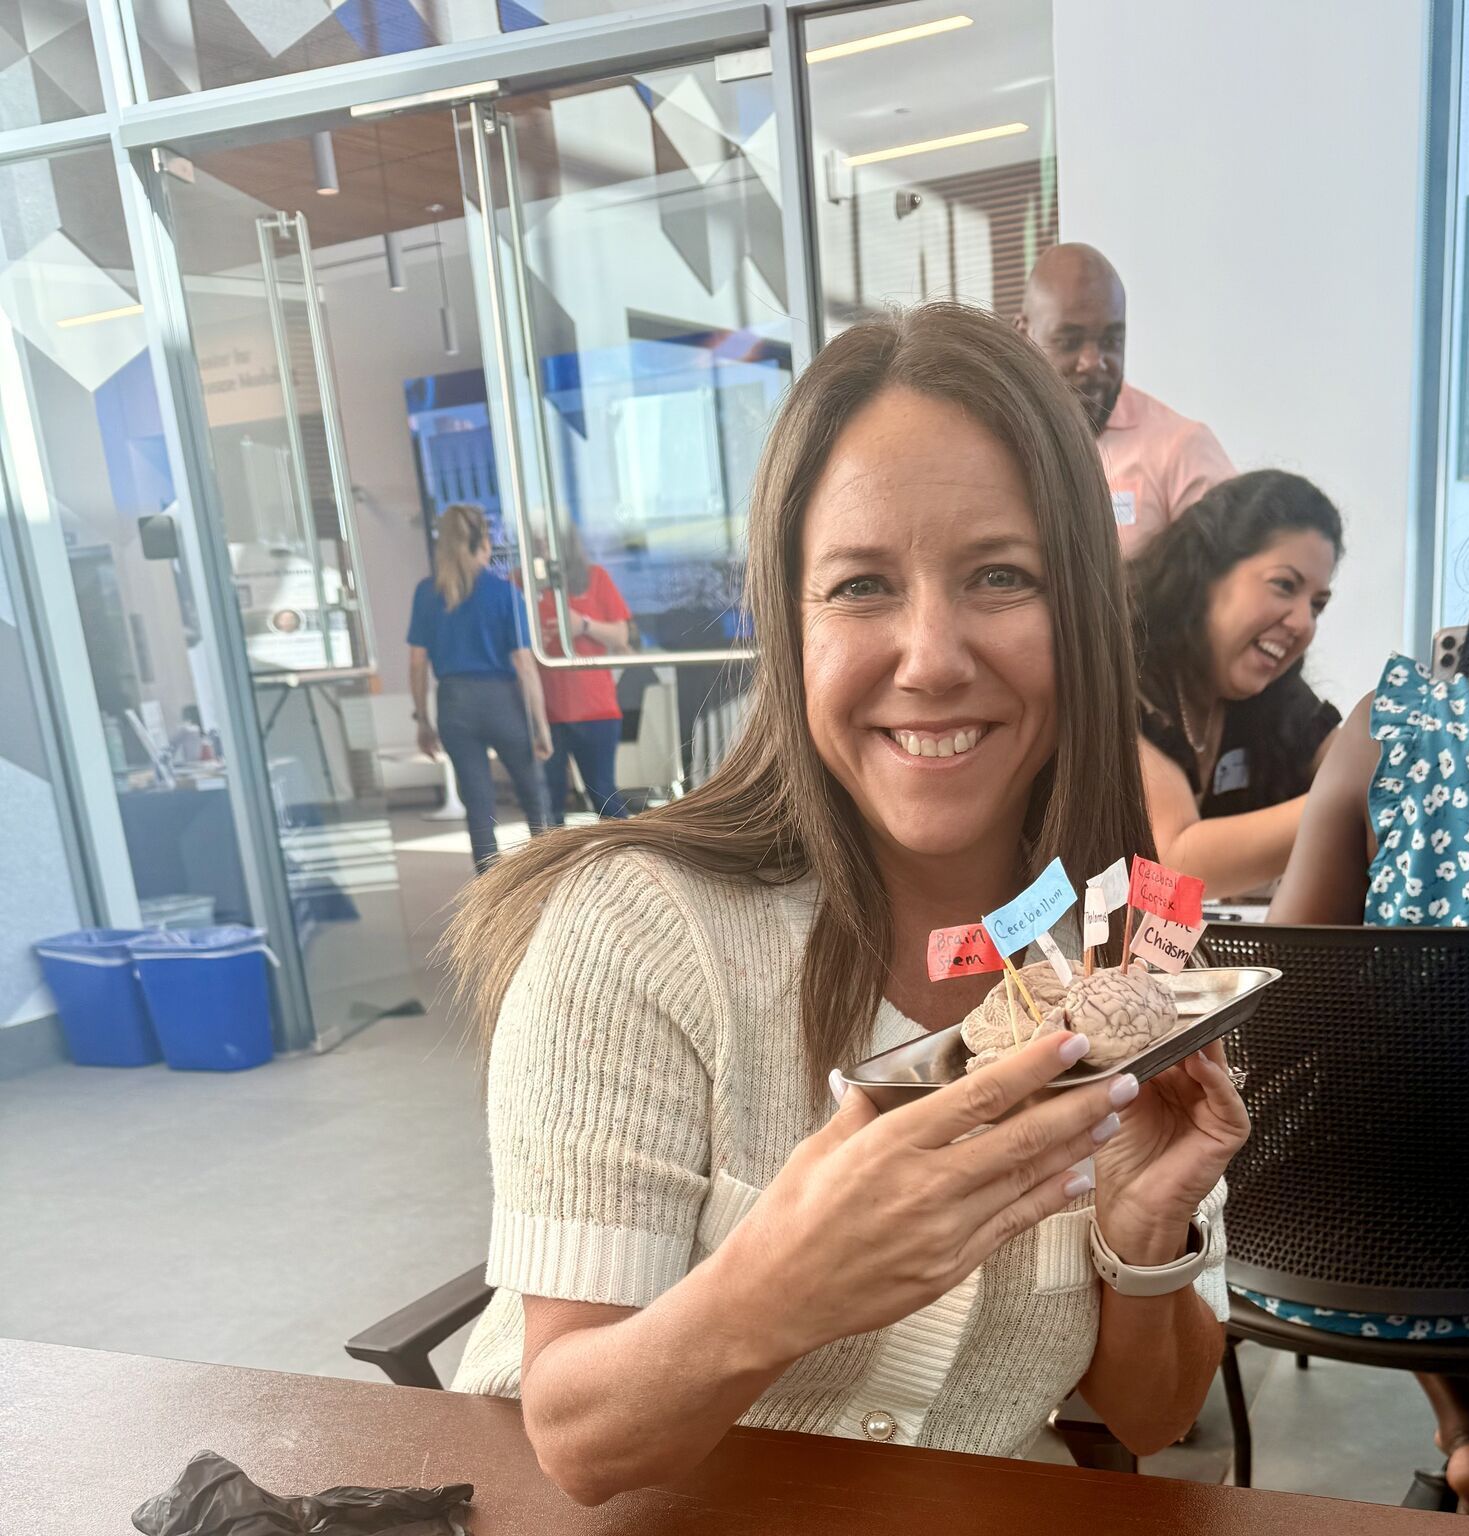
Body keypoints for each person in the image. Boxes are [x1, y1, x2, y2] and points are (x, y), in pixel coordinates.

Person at [445, 303, 1250, 1505]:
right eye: (862, 584)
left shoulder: (1121, 954)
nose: (929, 656)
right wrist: (777, 1285)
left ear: (1080, 612)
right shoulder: (639, 931)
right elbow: (578, 1443)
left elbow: (1152, 1411)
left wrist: (1142, 1239)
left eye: (999, 576)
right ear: (789, 624)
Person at [1266, 369, 1469, 1524]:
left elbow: (1277, 1005)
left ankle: (1467, 1427)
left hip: (1364, 1247)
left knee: (1411, 1094)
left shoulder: (1390, 729)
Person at [1133, 471, 1342, 899]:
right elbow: (1171, 869)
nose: (1303, 623)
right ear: (1207, 573)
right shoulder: (1123, 674)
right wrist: (1346, 802)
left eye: (1317, 606)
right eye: (1285, 586)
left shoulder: (1273, 695)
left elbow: (1356, 766)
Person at [1016, 243, 1236, 555]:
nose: (1093, 361)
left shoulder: (1181, 448)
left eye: (1110, 341)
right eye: (1070, 341)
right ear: (1024, 336)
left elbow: (1238, 584)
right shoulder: (997, 448)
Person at [407, 503, 553, 875]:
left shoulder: (427, 592)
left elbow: (417, 663)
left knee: (479, 806)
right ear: (484, 543)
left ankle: (491, 905)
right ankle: (549, 886)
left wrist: (422, 720)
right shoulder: (504, 592)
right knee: (535, 798)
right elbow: (524, 665)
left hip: (454, 703)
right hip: (501, 699)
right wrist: (540, 726)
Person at [535, 524, 634, 823]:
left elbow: (621, 636)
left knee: (603, 794)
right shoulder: (525, 584)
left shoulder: (595, 578)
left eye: (546, 541)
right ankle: (554, 869)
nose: (541, 549)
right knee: (548, 802)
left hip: (595, 709)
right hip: (547, 712)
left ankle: (630, 861)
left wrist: (583, 625)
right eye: (537, 542)